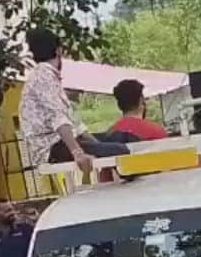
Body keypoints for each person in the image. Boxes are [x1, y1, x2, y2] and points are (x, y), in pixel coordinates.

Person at [19, 28, 129, 175]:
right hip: (52, 148)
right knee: (120, 151)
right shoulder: (42, 77)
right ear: (58, 51)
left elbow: (76, 124)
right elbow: (58, 119)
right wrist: (78, 153)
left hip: (62, 141)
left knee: (123, 138)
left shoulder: (48, 77)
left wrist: (99, 145)